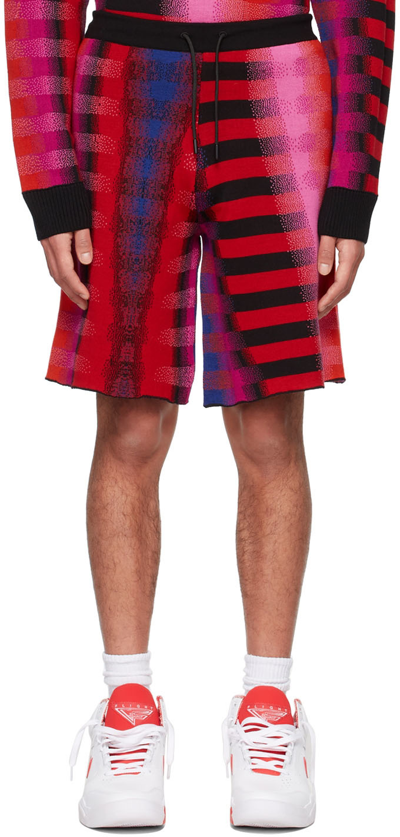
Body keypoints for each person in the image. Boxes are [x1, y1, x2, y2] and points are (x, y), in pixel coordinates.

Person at [5, 0, 394, 829]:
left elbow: (363, 11)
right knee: (130, 422)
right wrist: (50, 183)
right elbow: (36, 8)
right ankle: (127, 708)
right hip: (126, 88)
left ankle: (267, 704)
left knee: (268, 422)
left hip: (280, 90)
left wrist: (352, 189)